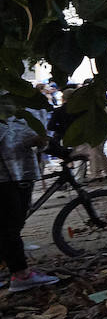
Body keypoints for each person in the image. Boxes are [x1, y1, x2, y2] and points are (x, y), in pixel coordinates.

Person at [1, 114, 60, 291]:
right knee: (9, 227)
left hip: (20, 174)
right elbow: (14, 141)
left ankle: (14, 268)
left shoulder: (15, 112)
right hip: (6, 179)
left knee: (12, 225)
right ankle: (21, 275)